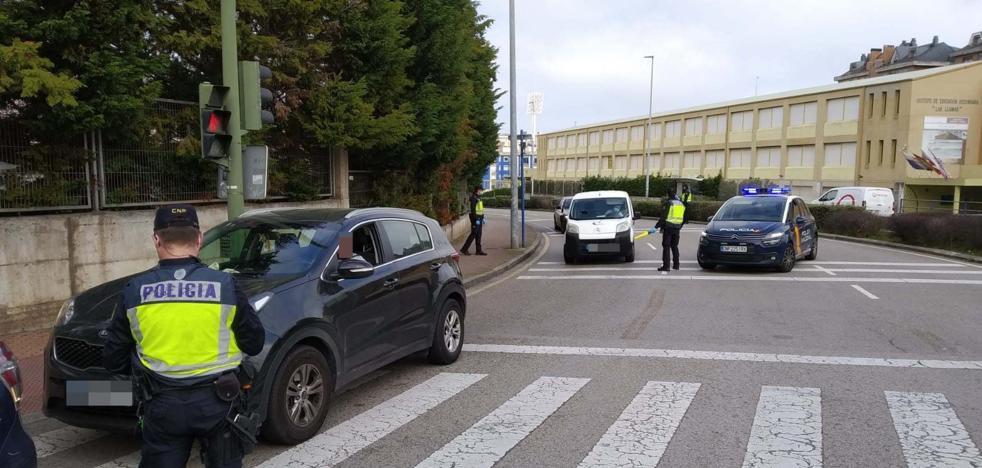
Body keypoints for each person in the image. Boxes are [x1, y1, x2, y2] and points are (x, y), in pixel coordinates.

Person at [103, 204, 265, 468]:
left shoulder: (135, 290)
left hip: (163, 405)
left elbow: (112, 359)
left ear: (157, 239)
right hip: (220, 403)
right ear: (199, 238)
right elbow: (254, 343)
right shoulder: (226, 286)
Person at [655, 188, 686, 271]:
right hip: (677, 228)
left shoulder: (669, 203)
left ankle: (666, 266)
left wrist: (656, 226)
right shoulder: (681, 204)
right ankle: (676, 265)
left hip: (668, 228)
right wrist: (679, 226)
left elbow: (663, 217)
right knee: (674, 246)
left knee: (666, 246)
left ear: (668, 194)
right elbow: (684, 218)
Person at [461, 185, 487, 256]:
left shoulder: (478, 198)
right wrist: (476, 220)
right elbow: (473, 211)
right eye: (481, 190)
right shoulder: (473, 198)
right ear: (478, 190)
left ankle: (478, 250)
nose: (482, 191)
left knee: (479, 235)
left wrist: (482, 217)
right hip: (475, 219)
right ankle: (464, 249)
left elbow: (480, 209)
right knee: (473, 234)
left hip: (479, 219)